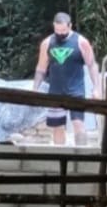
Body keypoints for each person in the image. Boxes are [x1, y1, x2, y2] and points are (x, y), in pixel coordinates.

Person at [34, 12, 101, 145]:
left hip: (75, 91)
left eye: (63, 31)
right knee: (57, 128)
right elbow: (41, 68)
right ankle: (60, 155)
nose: (60, 34)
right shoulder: (47, 43)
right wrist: (35, 88)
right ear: (54, 26)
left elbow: (92, 65)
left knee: (78, 124)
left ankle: (81, 154)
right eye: (57, 30)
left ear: (70, 26)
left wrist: (96, 88)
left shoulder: (81, 42)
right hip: (55, 91)